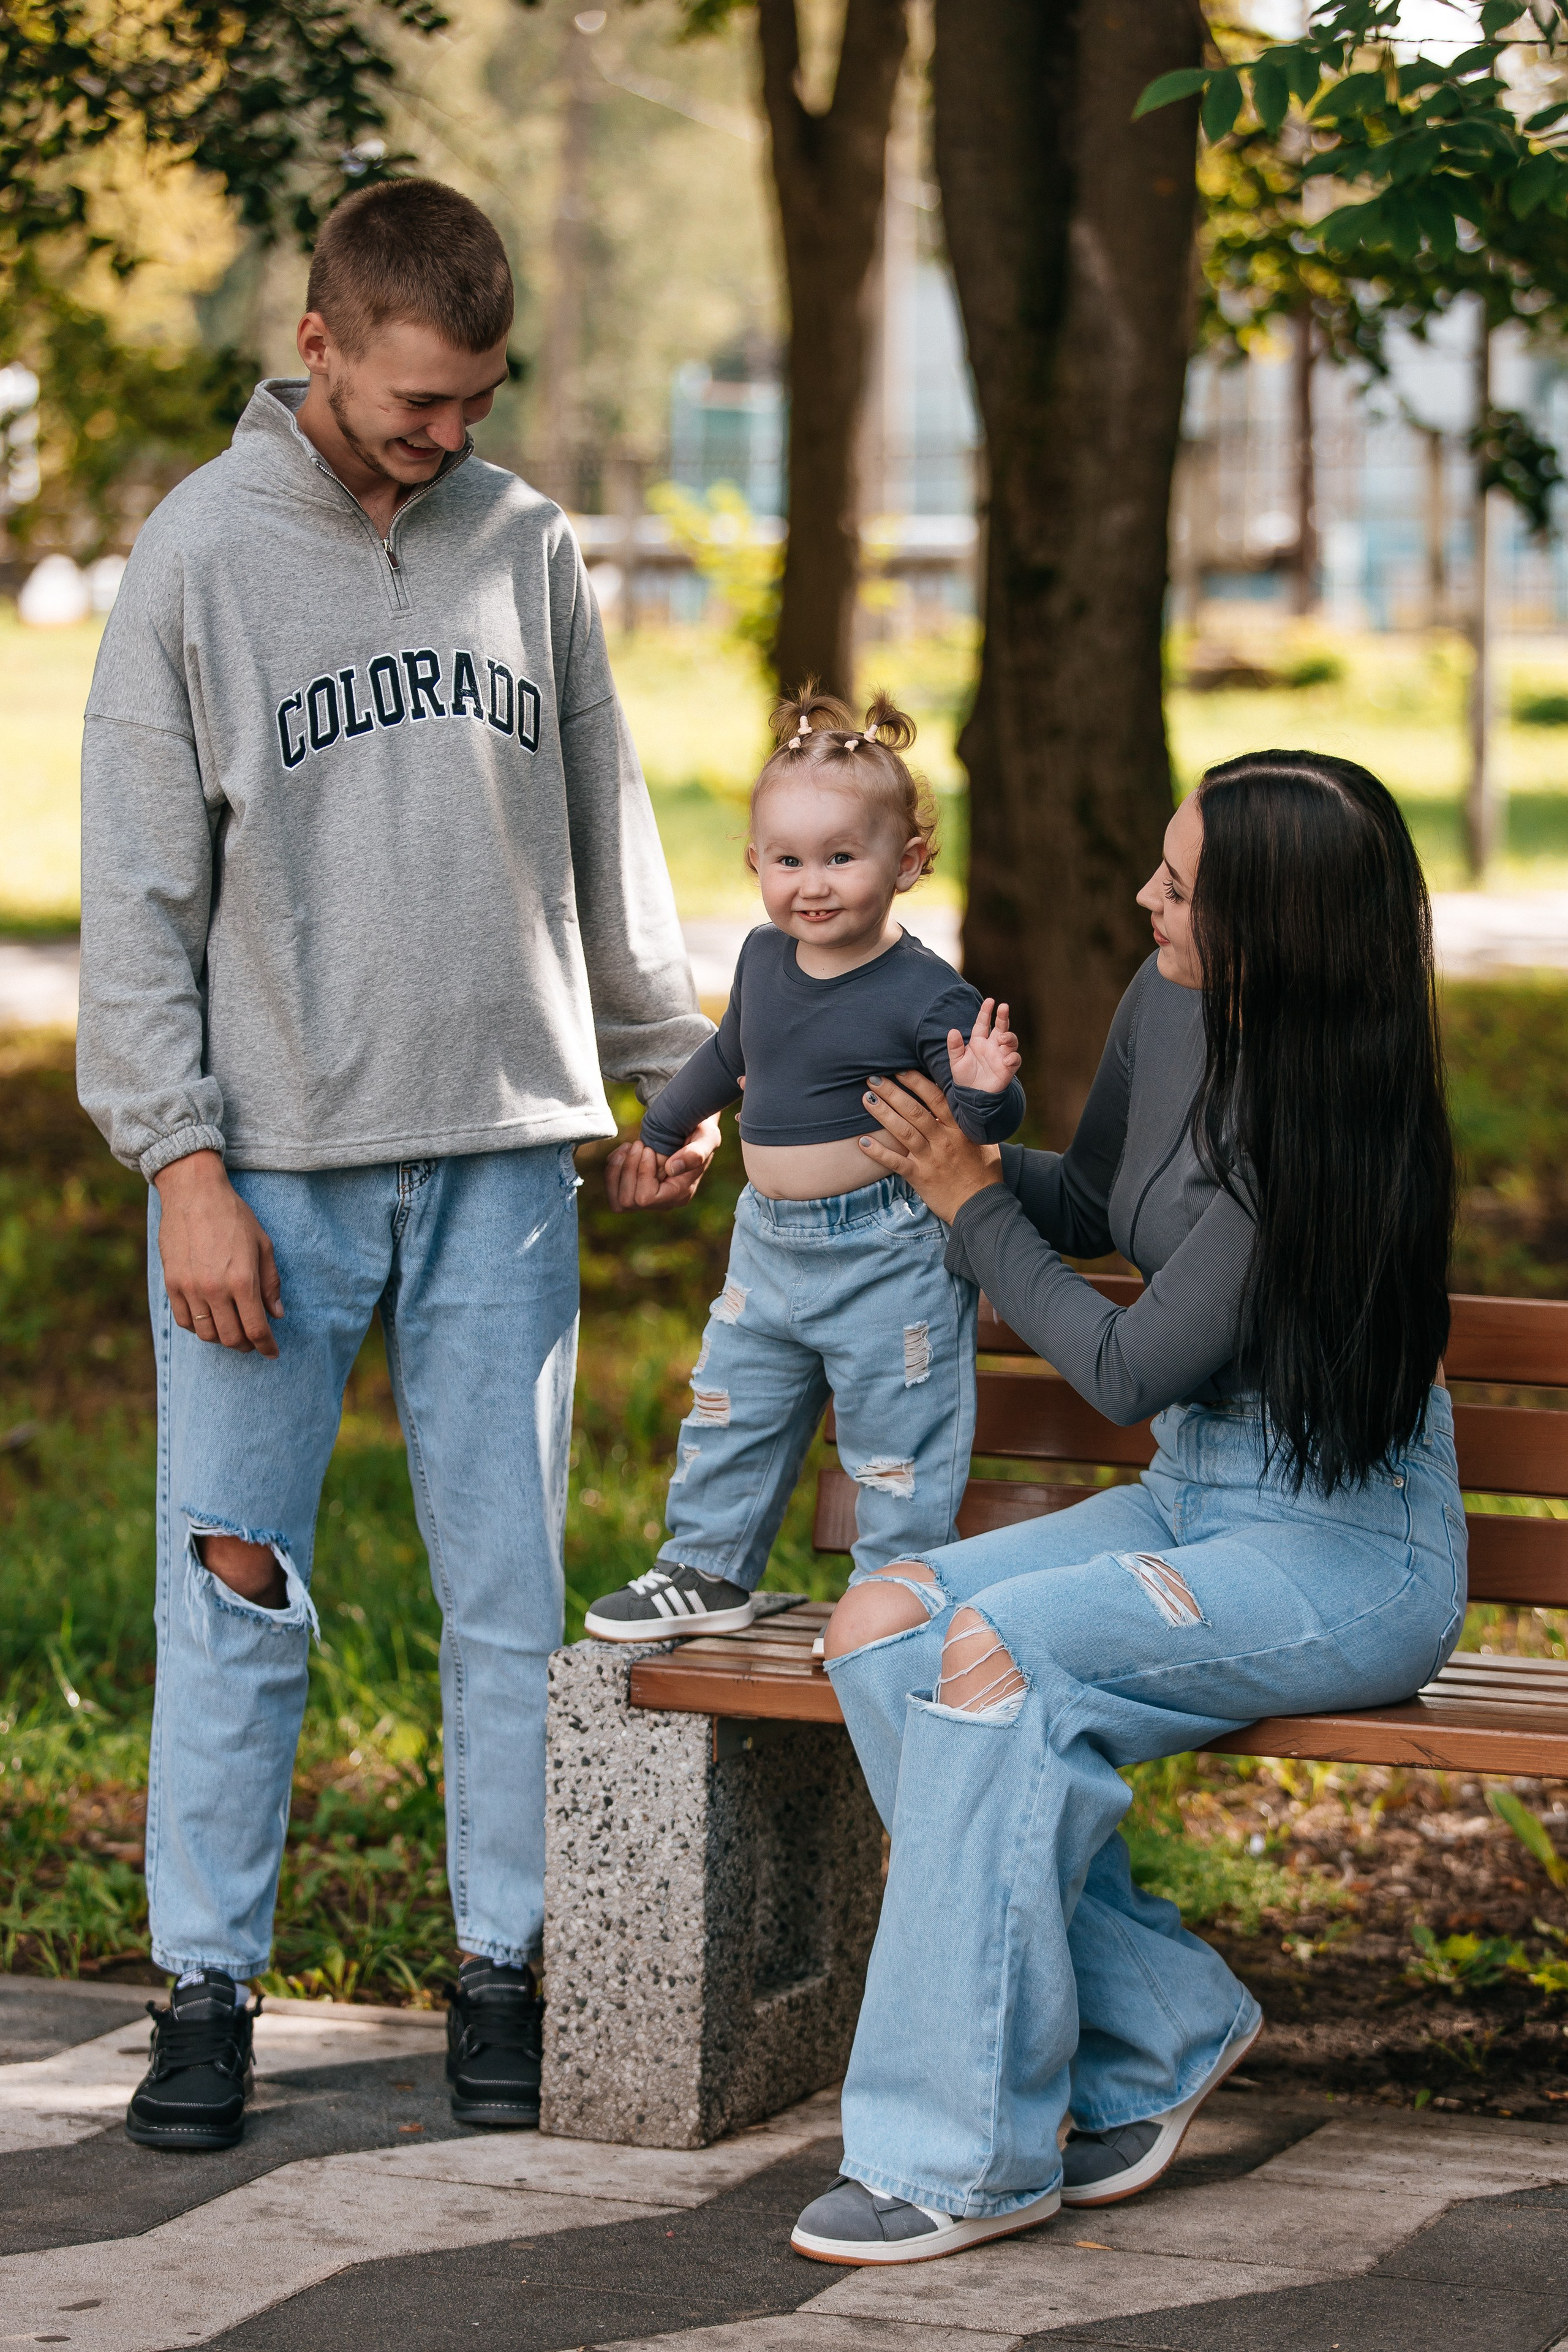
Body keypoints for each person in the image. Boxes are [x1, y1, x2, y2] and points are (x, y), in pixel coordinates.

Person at [77, 177, 717, 2150]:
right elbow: (135, 894)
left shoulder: (525, 542)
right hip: (272, 1179)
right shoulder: (196, 559)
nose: (449, 436)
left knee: (510, 1597)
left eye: (480, 399)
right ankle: (206, 1984)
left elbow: (606, 823)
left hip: (508, 1159)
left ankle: (503, 1966)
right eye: (417, 402)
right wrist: (179, 1161)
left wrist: (666, 1070)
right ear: (322, 339)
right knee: (237, 1589)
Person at [787, 750, 1463, 2264]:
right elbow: (1092, 1206)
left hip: (1343, 1552)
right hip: (1192, 1500)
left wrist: (967, 1207)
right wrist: (941, 1139)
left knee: (999, 1663)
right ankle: (1159, 2027)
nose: (1141, 896)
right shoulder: (1169, 1002)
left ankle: (956, 2158)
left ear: (1273, 934)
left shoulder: (1313, 1138)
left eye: (1179, 887)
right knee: (881, 1624)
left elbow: (1110, 1365)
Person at [587, 690, 1024, 1640]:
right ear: (755, 863)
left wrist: (987, 1086)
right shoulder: (761, 956)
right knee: (730, 1408)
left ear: (906, 863)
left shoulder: (923, 989)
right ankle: (705, 1568)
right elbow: (723, 1058)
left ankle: (896, 1591)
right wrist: (662, 1132)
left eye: (840, 856)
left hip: (887, 1250)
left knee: (896, 1432)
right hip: (768, 1247)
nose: (811, 885)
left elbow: (987, 1118)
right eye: (787, 860)